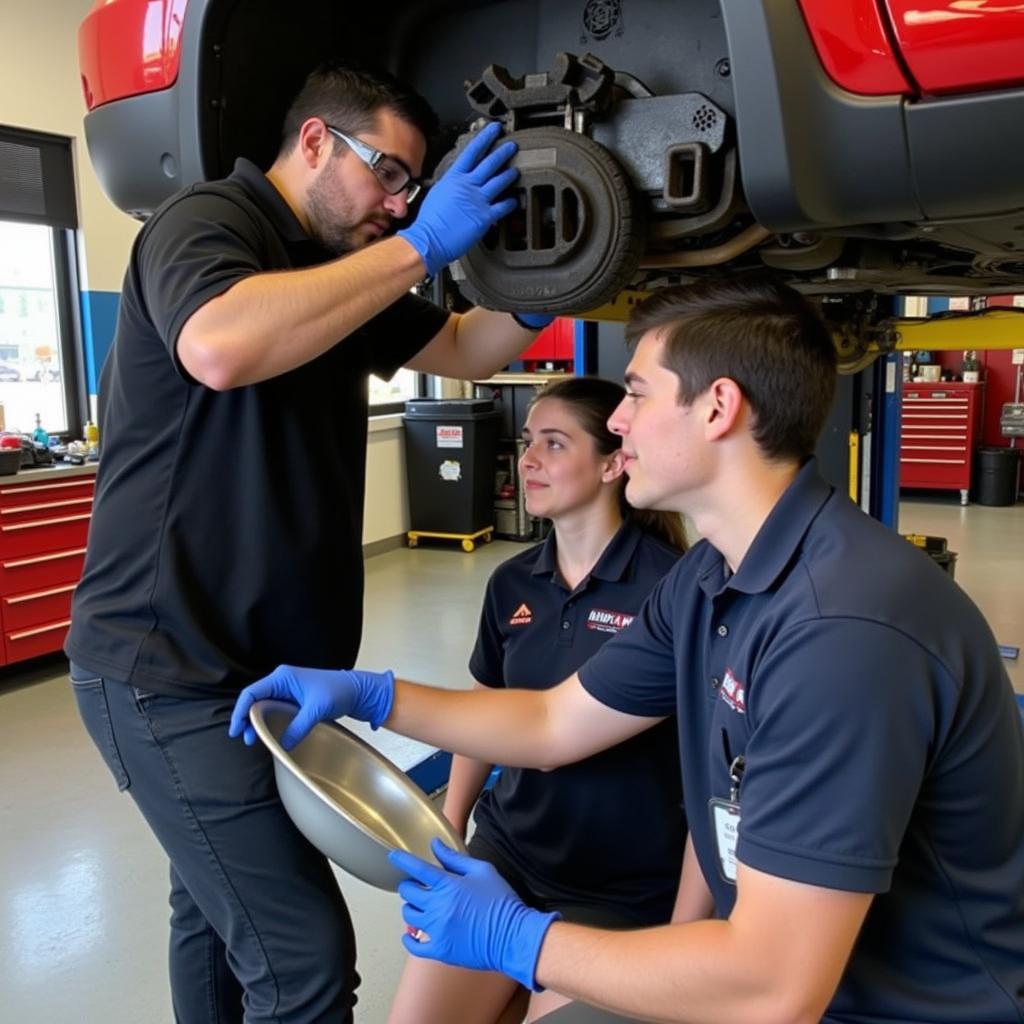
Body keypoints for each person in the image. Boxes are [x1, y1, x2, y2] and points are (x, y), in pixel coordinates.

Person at [231, 277, 1024, 1024]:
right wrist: (376, 696)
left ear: (718, 408)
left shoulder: (842, 631)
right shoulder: (714, 577)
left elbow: (775, 987)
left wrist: (520, 941)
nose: (617, 421)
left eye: (638, 395)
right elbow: (552, 721)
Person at [66, 60, 554, 1024]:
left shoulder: (338, 268)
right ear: (317, 141)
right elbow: (219, 347)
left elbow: (462, 348)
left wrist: (550, 286)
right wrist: (420, 243)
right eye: (390, 171)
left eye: (412, 185)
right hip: (168, 671)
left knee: (212, 922)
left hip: (265, 678)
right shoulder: (208, 224)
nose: (399, 200)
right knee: (304, 963)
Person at [388, 377, 688, 1024]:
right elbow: (483, 715)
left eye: (554, 444)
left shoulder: (671, 591)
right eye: (529, 443)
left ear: (613, 463)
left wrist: (685, 937)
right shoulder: (511, 583)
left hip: (621, 889)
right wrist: (454, 832)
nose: (527, 460)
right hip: (510, 858)